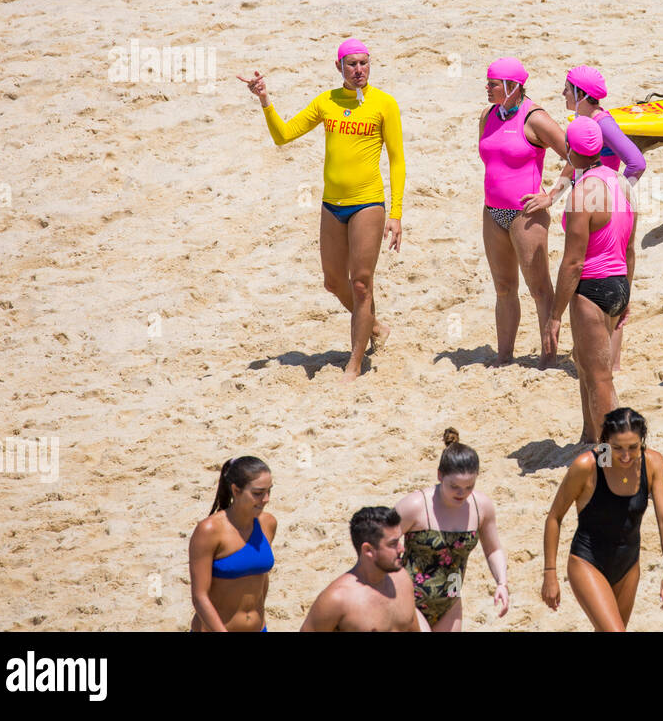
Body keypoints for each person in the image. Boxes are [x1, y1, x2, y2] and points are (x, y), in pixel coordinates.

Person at [241, 38, 405, 381]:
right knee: (333, 282)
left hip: (368, 203)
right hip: (332, 205)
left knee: (361, 285)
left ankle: (355, 363)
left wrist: (396, 213)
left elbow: (396, 159)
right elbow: (283, 135)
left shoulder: (384, 104)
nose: (359, 70)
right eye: (352, 64)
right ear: (339, 67)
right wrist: (265, 100)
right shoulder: (326, 102)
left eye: (364, 63)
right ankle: (375, 326)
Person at [526, 66, 646, 373]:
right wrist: (553, 195)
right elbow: (576, 159)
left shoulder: (601, 123)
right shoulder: (586, 123)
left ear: (581, 94)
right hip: (602, 195)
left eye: (567, 88)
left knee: (596, 271)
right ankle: (611, 365)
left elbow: (636, 161)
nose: (563, 93)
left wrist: (617, 190)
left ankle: (613, 365)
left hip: (605, 206)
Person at [542, 407, 663, 631]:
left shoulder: (653, 463)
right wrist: (550, 574)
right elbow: (554, 518)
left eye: (633, 447)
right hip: (587, 562)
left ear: (642, 440)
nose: (626, 456)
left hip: (628, 566)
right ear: (605, 441)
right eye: (617, 448)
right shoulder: (587, 466)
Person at [478, 57, 568, 368]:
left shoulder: (535, 119)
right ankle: (504, 357)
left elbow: (578, 153)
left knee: (539, 289)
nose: (487, 88)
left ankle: (548, 356)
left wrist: (553, 195)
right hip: (492, 212)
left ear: (513, 87)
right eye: (488, 83)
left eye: (493, 84)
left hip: (525, 213)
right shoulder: (488, 115)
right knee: (503, 288)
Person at [553, 117, 638, 443]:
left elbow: (573, 263)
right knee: (586, 367)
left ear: (572, 151)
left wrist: (555, 315)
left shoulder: (582, 193)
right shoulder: (622, 184)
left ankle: (612, 450)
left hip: (591, 287)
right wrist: (627, 293)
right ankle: (590, 437)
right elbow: (630, 249)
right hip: (618, 282)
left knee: (599, 378)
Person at [394, 430, 510, 632]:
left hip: (450, 601)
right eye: (454, 486)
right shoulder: (415, 506)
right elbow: (379, 542)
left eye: (469, 486)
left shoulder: (481, 506)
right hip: (408, 599)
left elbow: (493, 549)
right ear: (440, 475)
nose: (461, 493)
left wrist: (502, 583)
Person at [301, 506, 426, 632]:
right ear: (368, 550)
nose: (401, 549)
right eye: (393, 544)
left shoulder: (403, 581)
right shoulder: (337, 600)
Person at [188, 457, 276, 632]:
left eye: (269, 491)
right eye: (258, 493)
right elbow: (199, 596)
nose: (265, 499)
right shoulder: (209, 530)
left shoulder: (268, 523)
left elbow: (260, 578)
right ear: (236, 490)